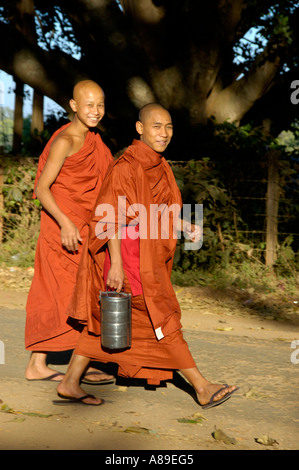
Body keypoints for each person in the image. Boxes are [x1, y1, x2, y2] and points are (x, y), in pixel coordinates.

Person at [54, 103, 238, 407]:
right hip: (129, 257)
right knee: (161, 315)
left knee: (113, 320)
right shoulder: (127, 165)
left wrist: (183, 224)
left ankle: (70, 381)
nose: (164, 133)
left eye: (168, 127)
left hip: (146, 255)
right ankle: (202, 386)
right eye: (156, 126)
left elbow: (154, 212)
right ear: (140, 128)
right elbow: (108, 216)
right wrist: (116, 266)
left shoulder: (159, 164)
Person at [25, 80, 115, 385]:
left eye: (100, 105)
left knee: (83, 294)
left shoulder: (96, 143)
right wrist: (64, 222)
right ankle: (38, 364)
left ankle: (79, 362)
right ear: (74, 106)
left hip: (86, 230)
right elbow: (42, 188)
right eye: (89, 105)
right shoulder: (65, 141)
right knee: (54, 294)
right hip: (61, 229)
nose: (96, 111)